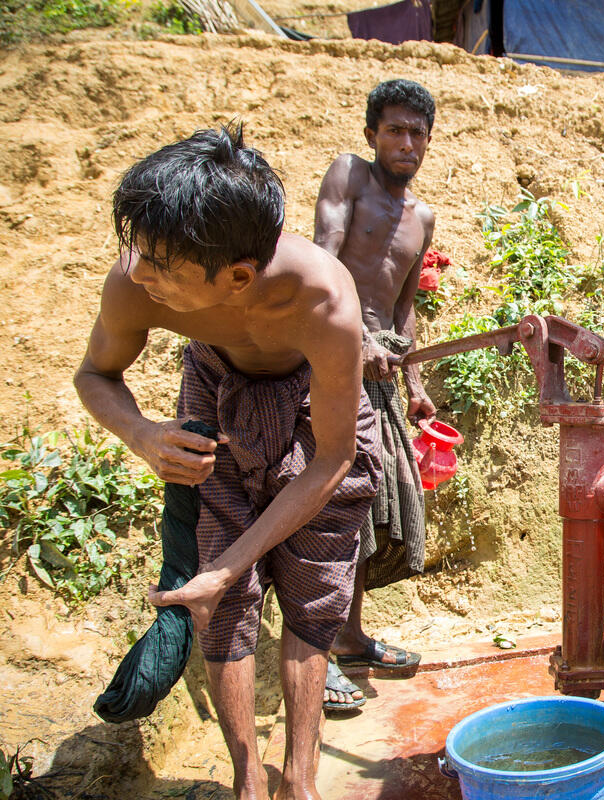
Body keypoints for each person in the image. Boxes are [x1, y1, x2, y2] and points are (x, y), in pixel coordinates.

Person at [75, 126, 381, 799]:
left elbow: (331, 457)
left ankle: (298, 778)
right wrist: (141, 433)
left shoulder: (325, 305)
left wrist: (226, 564)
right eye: (141, 254)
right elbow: (94, 375)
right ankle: (248, 778)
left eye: (160, 265)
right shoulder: (136, 281)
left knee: (313, 592)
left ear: (238, 276)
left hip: (316, 408)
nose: (141, 274)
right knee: (220, 606)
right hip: (215, 398)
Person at [313, 78, 435, 711]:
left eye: (417, 133)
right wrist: (353, 341)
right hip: (330, 360)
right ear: (371, 135)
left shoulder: (424, 218)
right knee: (331, 508)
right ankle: (319, 647)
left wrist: (415, 385)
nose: (405, 142)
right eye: (394, 129)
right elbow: (322, 265)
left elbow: (404, 311)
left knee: (370, 506)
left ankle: (350, 637)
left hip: (383, 373)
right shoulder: (348, 177)